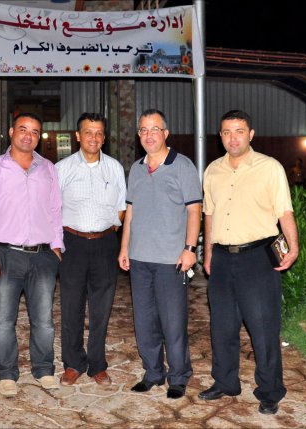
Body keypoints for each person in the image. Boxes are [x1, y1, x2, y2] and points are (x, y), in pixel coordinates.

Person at [200, 109, 299, 415]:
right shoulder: (212, 171)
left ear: (251, 134)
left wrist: (293, 247)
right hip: (222, 258)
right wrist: (208, 253)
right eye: (227, 132)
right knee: (222, 326)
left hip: (258, 258)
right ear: (220, 136)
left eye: (239, 131)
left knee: (263, 328)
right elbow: (209, 214)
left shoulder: (270, 168)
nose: (233, 138)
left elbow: (284, 211)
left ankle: (270, 390)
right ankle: (225, 382)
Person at [0, 112, 63, 397]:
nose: (28, 135)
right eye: (23, 129)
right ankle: (7, 374)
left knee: (44, 320)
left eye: (35, 132)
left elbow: (55, 209)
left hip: (43, 255)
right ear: (11, 132)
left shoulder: (48, 168)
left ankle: (44, 369)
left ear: (39, 137)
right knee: (3, 320)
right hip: (5, 255)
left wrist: (57, 245)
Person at [118, 109, 202, 400]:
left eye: (155, 129)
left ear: (165, 133)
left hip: (171, 261)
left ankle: (178, 376)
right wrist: (124, 248)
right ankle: (153, 372)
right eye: (143, 130)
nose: (149, 135)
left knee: (173, 323)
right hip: (140, 259)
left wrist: (190, 249)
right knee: (144, 321)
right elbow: (130, 212)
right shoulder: (136, 168)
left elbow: (194, 210)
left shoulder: (183, 166)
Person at [55, 113, 127, 387]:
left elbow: (121, 209)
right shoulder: (62, 168)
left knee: (101, 308)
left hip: (105, 243)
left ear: (104, 138)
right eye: (88, 132)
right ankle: (73, 363)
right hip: (72, 244)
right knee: (71, 306)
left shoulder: (114, 168)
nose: (93, 138)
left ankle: (97, 364)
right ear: (78, 136)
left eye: (98, 133)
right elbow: (52, 209)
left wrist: (106, 232)